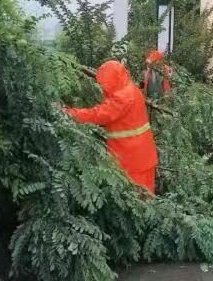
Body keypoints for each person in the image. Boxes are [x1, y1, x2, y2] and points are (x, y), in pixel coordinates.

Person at [65, 60, 158, 197]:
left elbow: (99, 115)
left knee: (136, 201)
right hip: (142, 156)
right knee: (146, 200)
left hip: (132, 160)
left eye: (105, 83)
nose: (104, 88)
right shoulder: (131, 89)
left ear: (113, 80)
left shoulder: (123, 97)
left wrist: (70, 113)